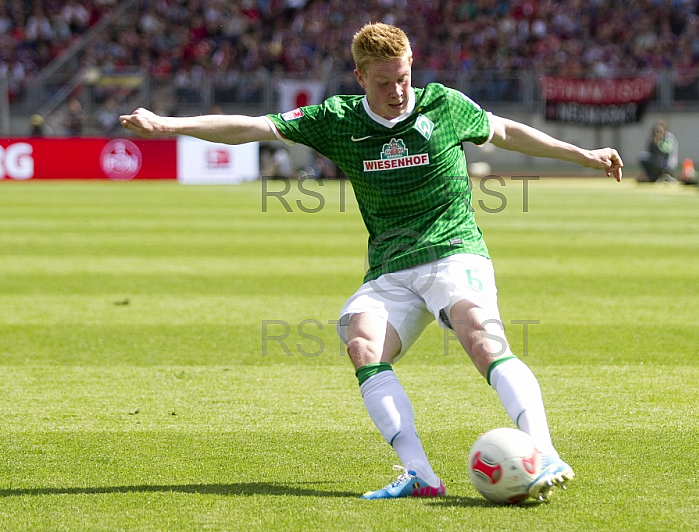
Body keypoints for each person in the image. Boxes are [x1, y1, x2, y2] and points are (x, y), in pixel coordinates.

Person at [120, 22, 623, 501]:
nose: (398, 91)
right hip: (390, 268)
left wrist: (582, 154)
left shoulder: (444, 105)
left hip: (453, 252)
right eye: (384, 82)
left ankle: (547, 455)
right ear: (361, 77)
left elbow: (508, 132)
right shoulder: (339, 119)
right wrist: (166, 124)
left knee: (479, 333)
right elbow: (252, 127)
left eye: (403, 78)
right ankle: (420, 475)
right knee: (362, 344)